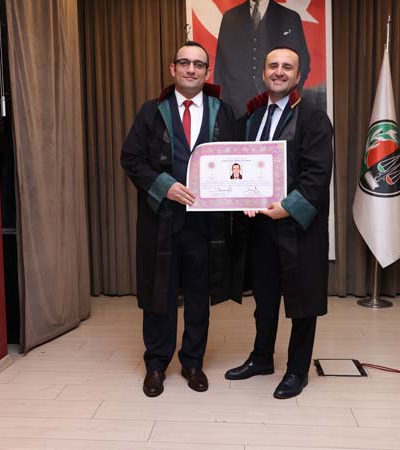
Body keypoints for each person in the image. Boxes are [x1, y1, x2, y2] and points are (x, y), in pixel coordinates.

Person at [121, 41, 238, 397]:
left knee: (199, 295)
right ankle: (156, 364)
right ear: (173, 69)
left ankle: (192, 362)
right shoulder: (151, 112)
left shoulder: (224, 112)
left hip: (205, 225)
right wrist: (164, 186)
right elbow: (131, 158)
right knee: (160, 293)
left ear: (207, 72)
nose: (191, 69)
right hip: (162, 221)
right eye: (184, 63)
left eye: (198, 64)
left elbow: (238, 161)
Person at [225, 46, 333, 399]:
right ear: (264, 73)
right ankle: (261, 358)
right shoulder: (251, 120)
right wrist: (242, 199)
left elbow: (317, 176)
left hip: (299, 226)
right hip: (260, 226)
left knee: (302, 302)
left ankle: (297, 370)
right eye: (273, 65)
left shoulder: (314, 119)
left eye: (287, 67)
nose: (279, 71)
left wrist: (287, 208)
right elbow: (240, 169)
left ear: (298, 76)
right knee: (265, 298)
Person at [214, 0, 311, 117]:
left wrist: (287, 100)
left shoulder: (290, 17)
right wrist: (226, 109)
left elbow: (303, 64)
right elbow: (220, 68)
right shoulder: (230, 17)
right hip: (236, 111)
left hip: (280, 109)